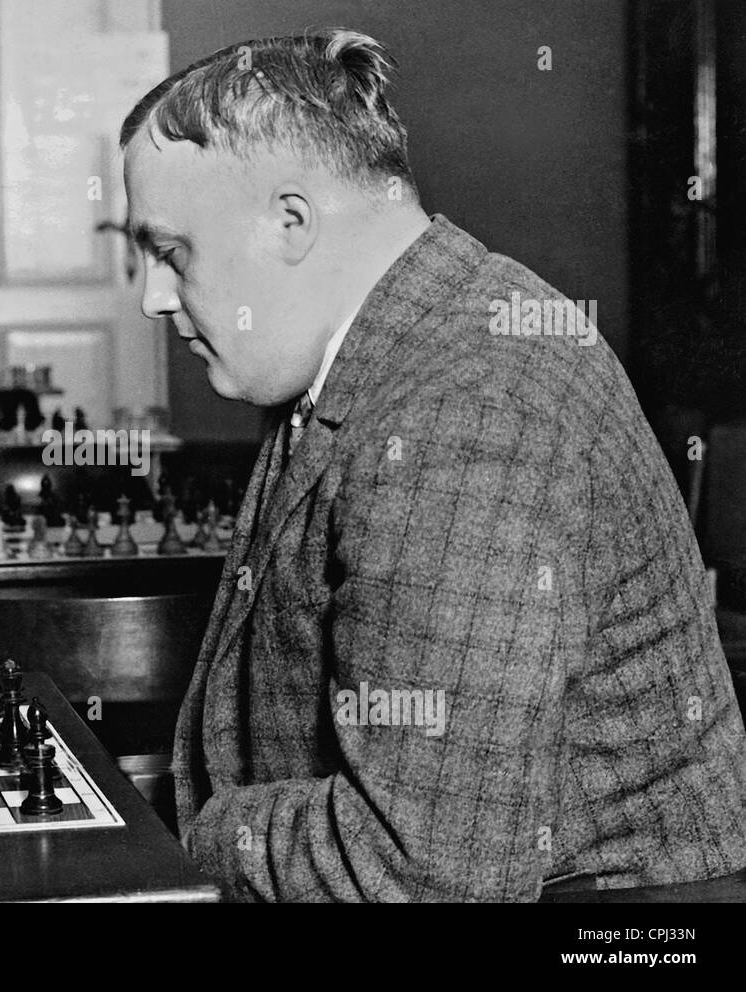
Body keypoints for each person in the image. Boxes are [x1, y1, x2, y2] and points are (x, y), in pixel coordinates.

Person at [120, 29, 746, 901]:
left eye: (169, 252)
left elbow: (425, 868)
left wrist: (195, 832)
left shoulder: (466, 409)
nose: (150, 296)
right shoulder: (393, 343)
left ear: (291, 222)